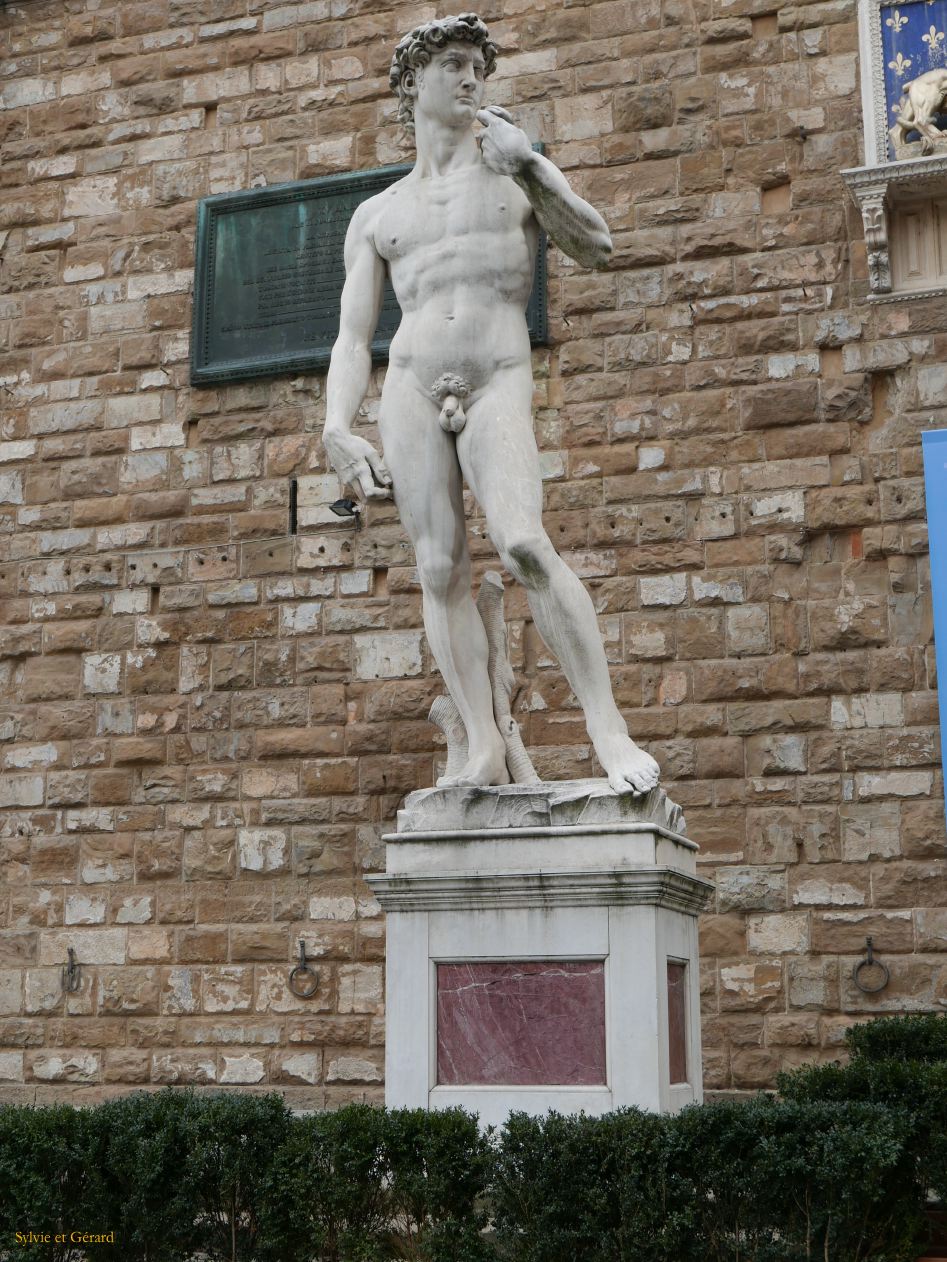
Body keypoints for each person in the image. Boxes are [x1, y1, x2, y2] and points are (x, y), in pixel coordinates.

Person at [323, 13, 660, 796]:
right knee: (437, 567)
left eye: (478, 64)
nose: (470, 77)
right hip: (410, 386)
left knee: (523, 544)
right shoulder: (377, 214)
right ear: (413, 81)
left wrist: (533, 167)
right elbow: (351, 337)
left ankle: (607, 731)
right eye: (453, 63)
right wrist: (336, 424)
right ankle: (482, 745)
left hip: (495, 375)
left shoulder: (512, 172)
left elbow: (597, 247)